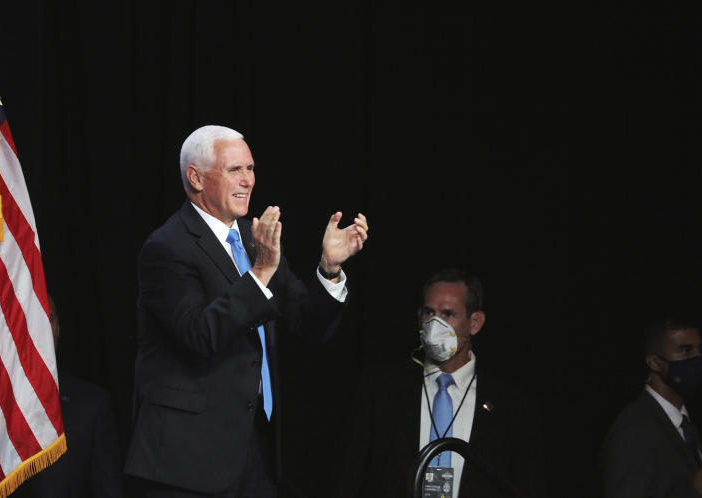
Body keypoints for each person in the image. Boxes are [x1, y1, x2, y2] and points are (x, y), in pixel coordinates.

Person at [124, 125, 369, 497]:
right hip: (185, 464)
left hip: (255, 456)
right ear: (196, 177)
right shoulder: (167, 248)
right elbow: (199, 335)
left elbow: (308, 322)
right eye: (234, 170)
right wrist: (259, 274)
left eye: (250, 168)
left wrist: (329, 268)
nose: (248, 180)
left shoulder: (254, 242)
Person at [337, 268, 543, 498]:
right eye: (429, 312)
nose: (435, 324)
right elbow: (351, 474)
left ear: (474, 323)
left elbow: (525, 483)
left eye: (447, 314)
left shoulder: (510, 404)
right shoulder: (382, 389)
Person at [600, 316, 702, 498]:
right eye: (685, 350)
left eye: (699, 349)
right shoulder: (633, 431)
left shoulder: (685, 423)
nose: (697, 358)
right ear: (655, 362)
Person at [14, 296, 124, 497]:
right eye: (31, 320)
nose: (41, 330)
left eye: (48, 319)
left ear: (57, 328)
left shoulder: (92, 406)